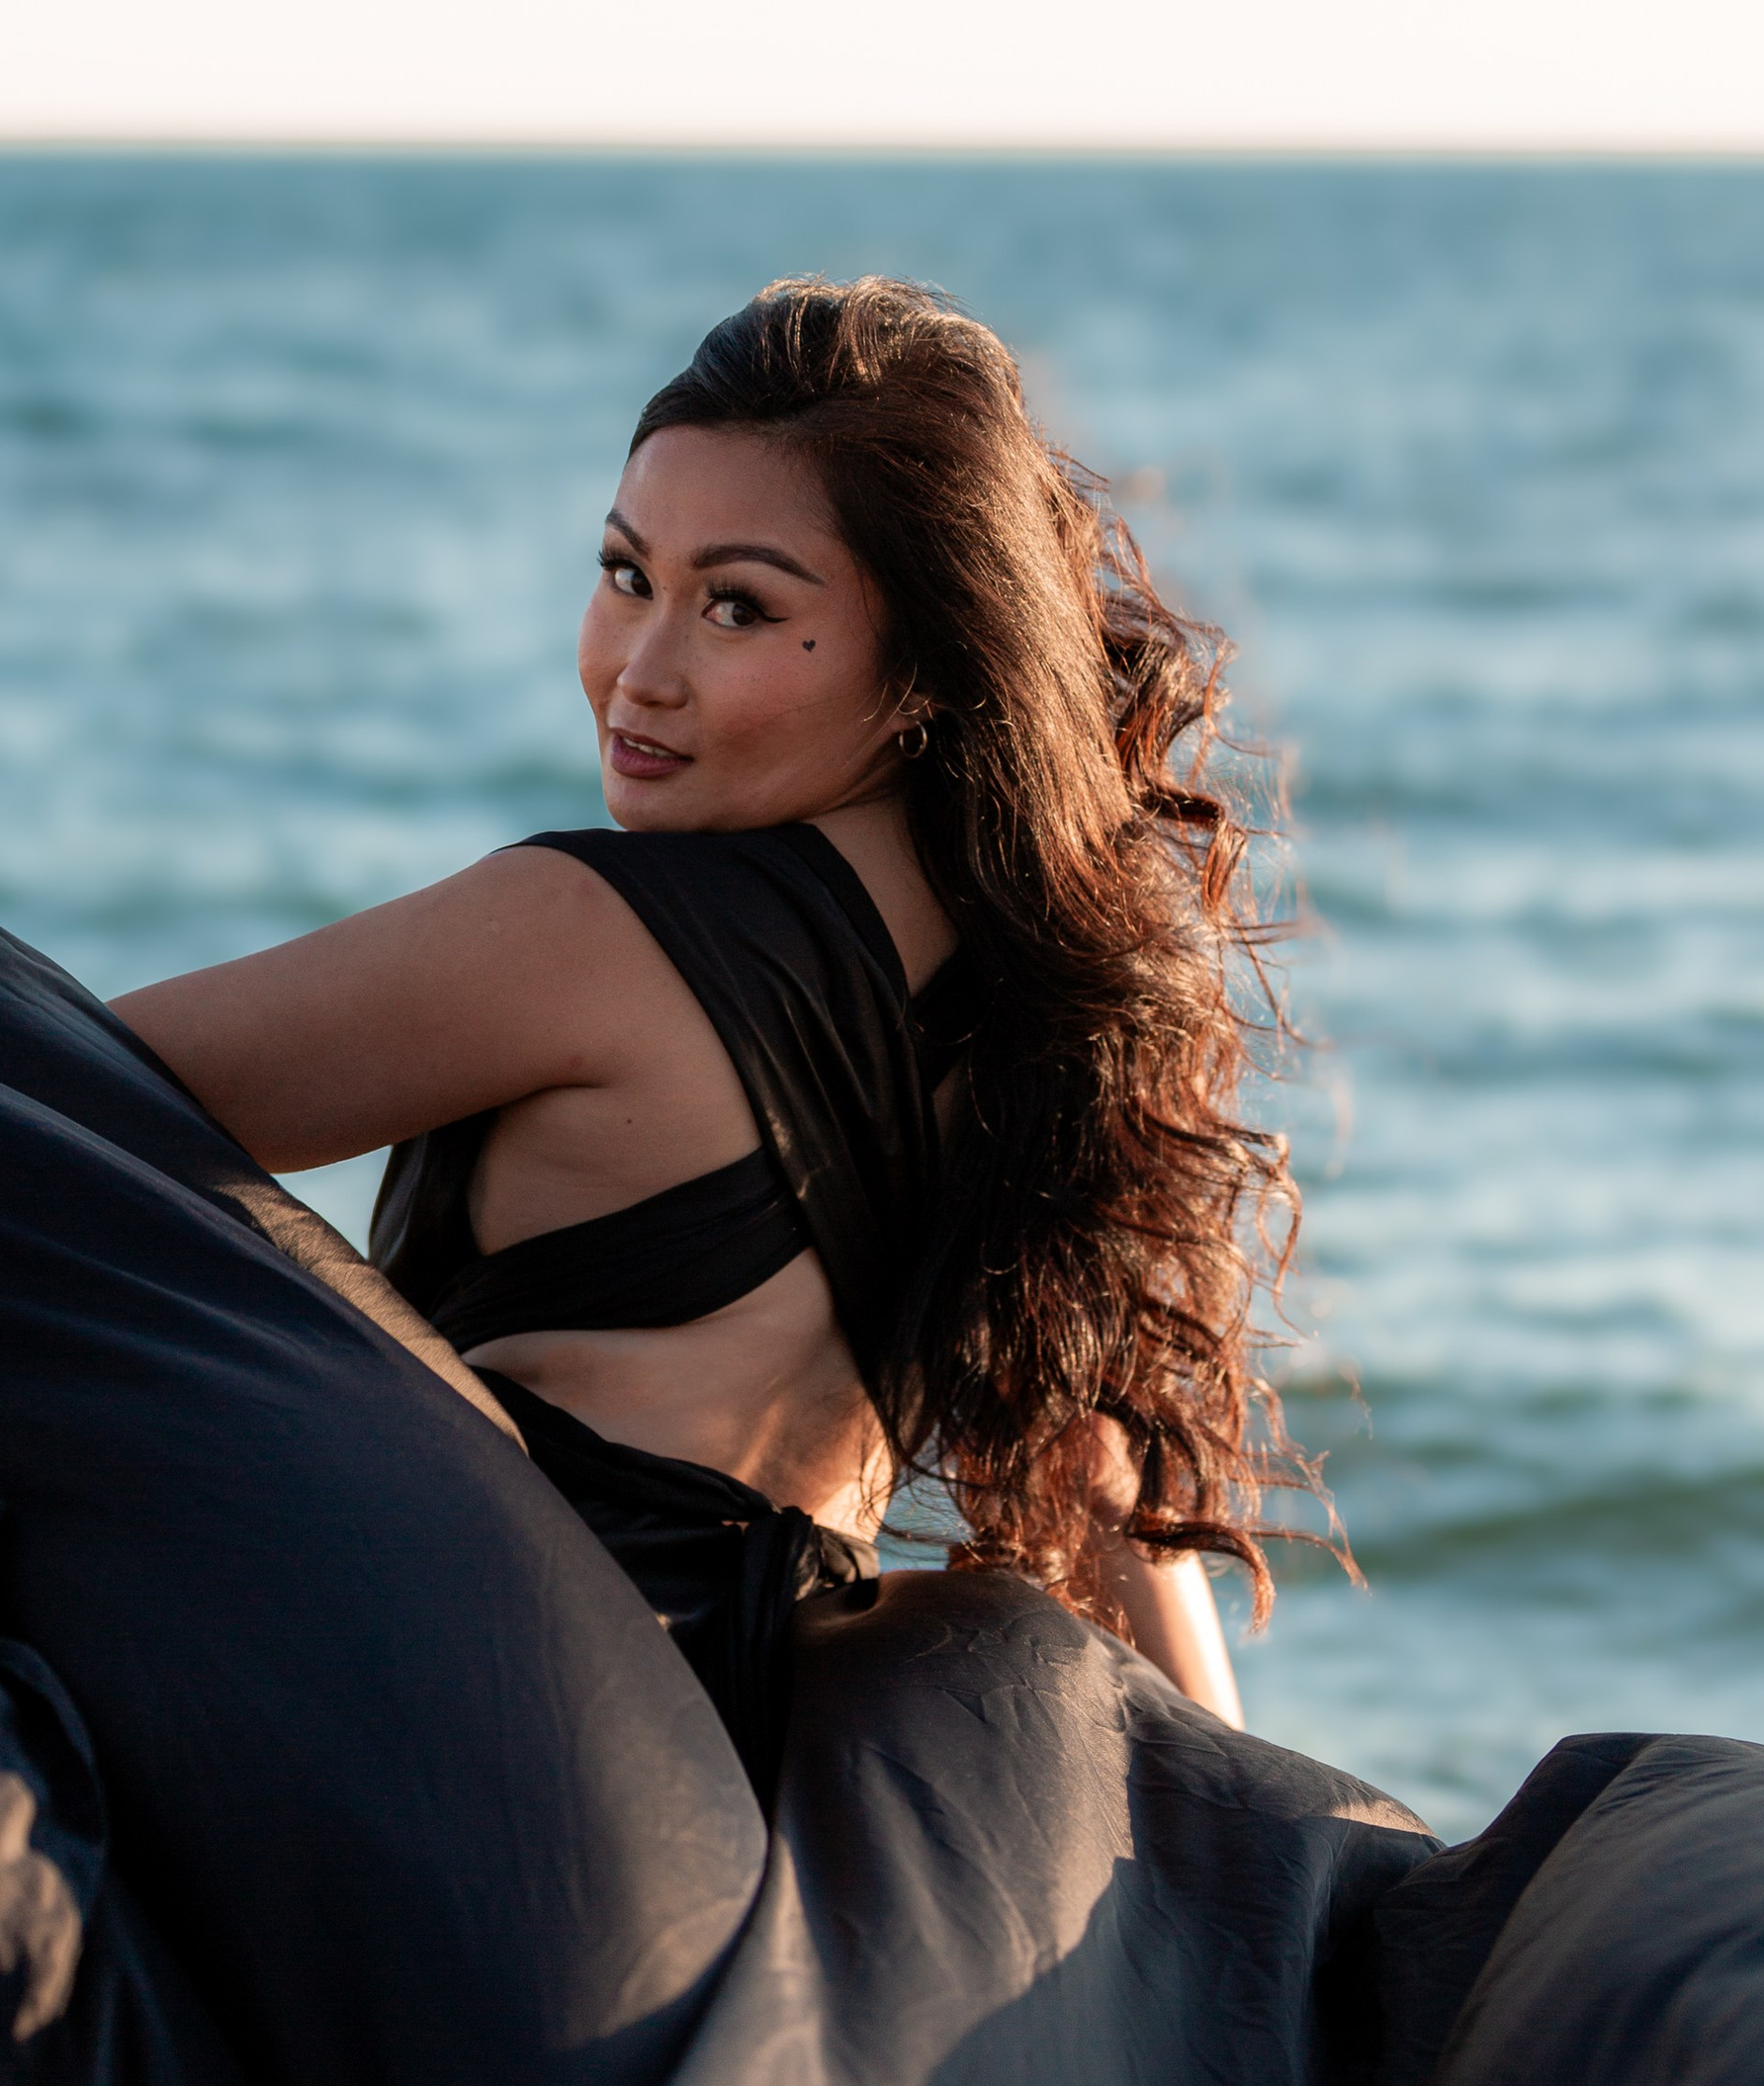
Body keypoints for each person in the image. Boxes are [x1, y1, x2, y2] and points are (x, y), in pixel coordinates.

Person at [116, 276, 1299, 1800]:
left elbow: (2, 1087)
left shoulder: (587, 932)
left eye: (738, 606)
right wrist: (1262, 1852)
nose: (640, 668)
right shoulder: (1040, 989)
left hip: (458, 1730)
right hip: (747, 1802)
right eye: (626, 575)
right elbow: (1097, 1476)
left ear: (927, 662)